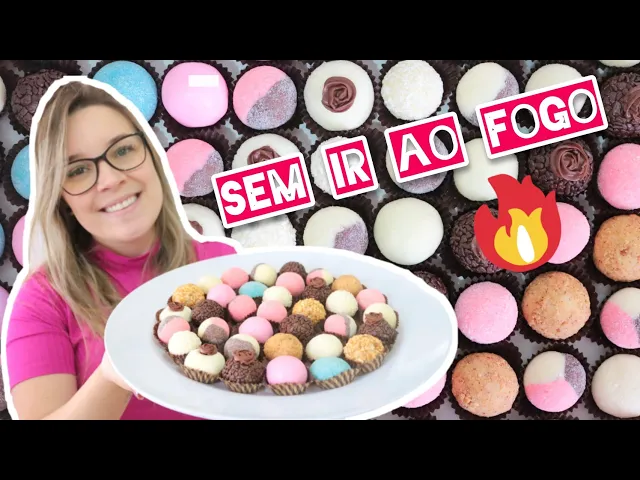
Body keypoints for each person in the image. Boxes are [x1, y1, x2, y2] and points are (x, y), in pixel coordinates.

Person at [3, 80, 237, 420]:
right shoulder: (43, 299)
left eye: (123, 150)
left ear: (152, 157)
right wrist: (113, 376)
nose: (110, 180)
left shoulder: (221, 265)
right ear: (62, 199)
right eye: (78, 170)